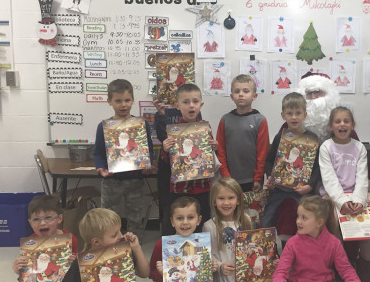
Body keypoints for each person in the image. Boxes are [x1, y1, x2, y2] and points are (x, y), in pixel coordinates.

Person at [204, 178, 278, 282]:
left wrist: (269, 260)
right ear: (214, 201)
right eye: (221, 198)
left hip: (250, 279)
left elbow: (255, 247)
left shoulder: (246, 220)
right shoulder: (209, 226)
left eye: (231, 198)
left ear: (238, 200)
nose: (226, 203)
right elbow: (207, 257)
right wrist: (220, 267)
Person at [93, 79, 155, 241]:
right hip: (111, 181)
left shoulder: (141, 125)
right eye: (118, 101)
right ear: (109, 101)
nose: (123, 105)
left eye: (127, 100)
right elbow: (98, 153)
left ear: (132, 100)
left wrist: (147, 166)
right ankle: (109, 245)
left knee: (136, 215)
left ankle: (134, 246)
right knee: (109, 216)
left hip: (135, 179)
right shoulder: (104, 127)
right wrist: (100, 168)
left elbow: (148, 150)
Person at [4, 195, 79, 282]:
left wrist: (75, 263)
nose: (42, 223)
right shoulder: (30, 243)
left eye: (48, 218)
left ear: (59, 218)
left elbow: (77, 275)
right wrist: (18, 270)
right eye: (36, 219)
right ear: (30, 223)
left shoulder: (70, 239)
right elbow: (27, 277)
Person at [318, 107, 370, 282]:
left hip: (356, 195)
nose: (342, 124)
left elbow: (362, 177)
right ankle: (341, 266)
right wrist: (342, 202)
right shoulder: (326, 147)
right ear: (331, 125)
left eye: (346, 121)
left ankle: (364, 264)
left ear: (352, 125)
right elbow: (329, 178)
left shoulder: (359, 147)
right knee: (334, 222)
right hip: (332, 196)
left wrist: (359, 201)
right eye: (338, 121)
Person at [156, 83, 216, 234]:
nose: (191, 106)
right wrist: (165, 150)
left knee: (201, 227)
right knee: (180, 227)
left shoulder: (206, 129)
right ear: (177, 105)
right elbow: (166, 162)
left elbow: (210, 160)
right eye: (186, 102)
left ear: (201, 104)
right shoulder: (173, 131)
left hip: (202, 188)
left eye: (195, 101)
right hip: (180, 190)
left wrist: (214, 147)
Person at [263, 93, 320, 235]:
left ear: (305, 115)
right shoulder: (279, 137)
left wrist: (310, 186)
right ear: (283, 115)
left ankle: (304, 247)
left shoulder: (312, 138)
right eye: (289, 113)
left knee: (308, 222)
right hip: (280, 189)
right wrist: (271, 177)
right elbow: (269, 161)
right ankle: (267, 248)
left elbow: (317, 167)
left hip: (303, 190)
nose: (294, 117)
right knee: (266, 220)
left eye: (298, 113)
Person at [215, 74, 269, 193]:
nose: (241, 94)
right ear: (231, 96)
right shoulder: (225, 120)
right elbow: (220, 150)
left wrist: (258, 178)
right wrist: (225, 176)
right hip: (230, 179)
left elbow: (263, 152)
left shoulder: (260, 120)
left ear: (254, 96)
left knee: (252, 206)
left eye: (246, 91)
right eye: (237, 91)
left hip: (253, 180)